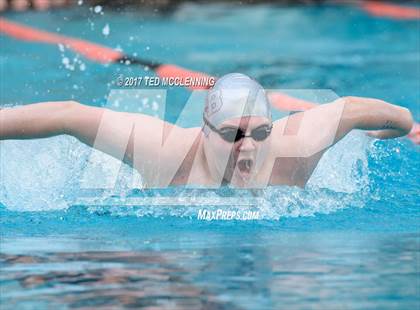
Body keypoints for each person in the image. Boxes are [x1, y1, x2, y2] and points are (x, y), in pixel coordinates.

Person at [0, 73, 414, 188]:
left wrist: (403, 126)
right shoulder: (165, 155)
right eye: (233, 135)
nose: (249, 148)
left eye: (261, 133)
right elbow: (71, 115)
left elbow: (354, 109)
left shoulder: (298, 149)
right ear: (204, 131)